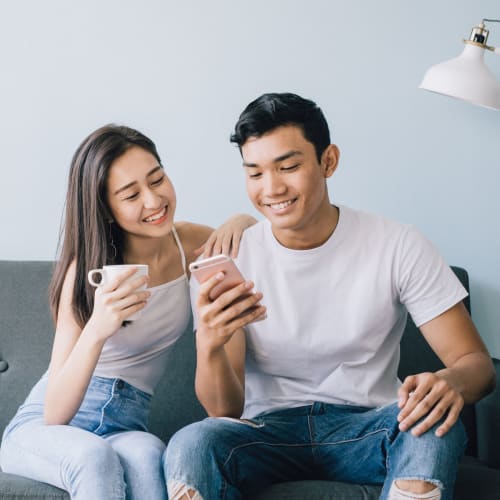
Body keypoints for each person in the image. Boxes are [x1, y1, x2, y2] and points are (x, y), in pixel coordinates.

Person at [164, 92, 496, 500]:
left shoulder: (398, 244)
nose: (272, 188)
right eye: (255, 173)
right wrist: (211, 344)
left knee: (433, 425)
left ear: (328, 161)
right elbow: (223, 412)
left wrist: (448, 383)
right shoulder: (232, 258)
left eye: (288, 166)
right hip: (266, 433)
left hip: (371, 426)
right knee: (192, 443)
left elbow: (477, 366)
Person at [0, 124, 256, 500]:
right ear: (105, 208)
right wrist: (98, 328)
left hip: (127, 422)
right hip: (45, 428)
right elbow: (55, 413)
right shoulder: (85, 270)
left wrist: (239, 220)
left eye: (157, 179)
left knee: (151, 454)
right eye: (131, 194)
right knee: (93, 457)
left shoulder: (189, 244)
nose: (153, 201)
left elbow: (250, 232)